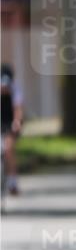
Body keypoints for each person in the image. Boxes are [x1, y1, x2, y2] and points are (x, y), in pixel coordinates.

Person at [1, 64, 24, 196]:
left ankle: (13, 182)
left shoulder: (16, 89)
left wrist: (17, 122)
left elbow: (18, 109)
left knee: (9, 149)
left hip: (10, 122)